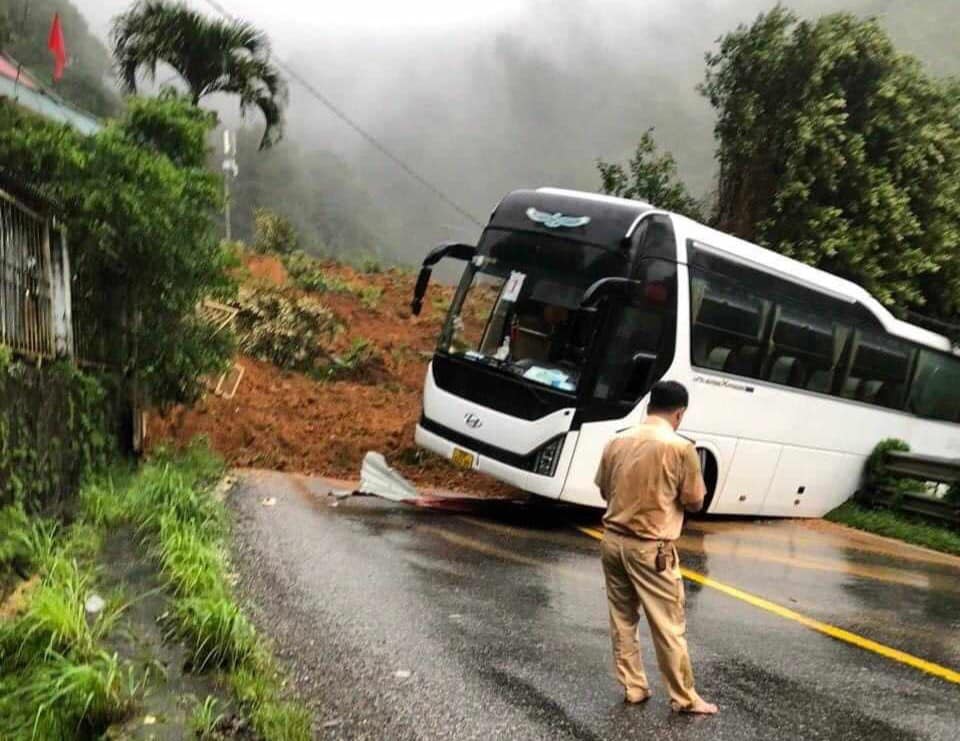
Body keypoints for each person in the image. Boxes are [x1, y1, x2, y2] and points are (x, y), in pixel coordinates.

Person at [594, 380, 718, 715]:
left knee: (622, 618)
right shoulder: (681, 448)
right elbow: (694, 501)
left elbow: (604, 489)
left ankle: (634, 687)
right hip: (652, 549)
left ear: (650, 407)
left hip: (612, 541)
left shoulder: (617, 440)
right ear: (679, 413)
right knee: (668, 625)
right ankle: (685, 697)